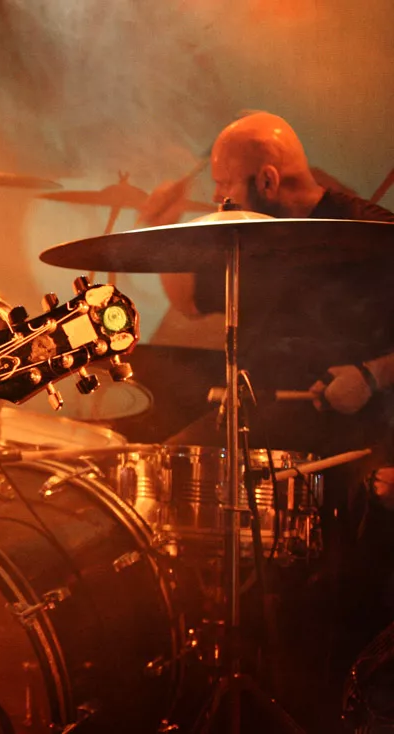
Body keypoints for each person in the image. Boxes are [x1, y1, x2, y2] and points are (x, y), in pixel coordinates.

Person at [142, 111, 394, 729]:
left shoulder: (371, 234)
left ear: (269, 180)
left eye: (224, 184)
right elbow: (189, 302)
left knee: (322, 599)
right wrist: (160, 228)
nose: (216, 198)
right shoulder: (246, 234)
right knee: (152, 480)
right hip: (257, 421)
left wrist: (371, 375)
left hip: (348, 439)